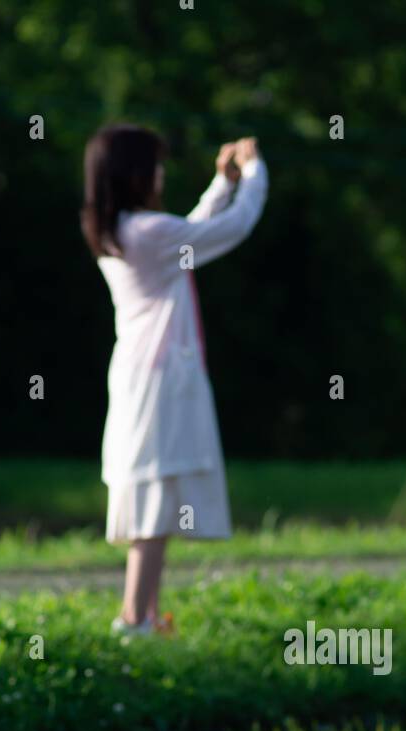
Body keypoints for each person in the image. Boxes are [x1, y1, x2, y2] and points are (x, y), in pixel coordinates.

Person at [81, 125, 268, 635]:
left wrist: (222, 185)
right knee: (153, 503)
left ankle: (146, 616)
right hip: (161, 379)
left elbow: (192, 232)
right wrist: (253, 173)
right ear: (136, 174)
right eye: (155, 164)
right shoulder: (148, 233)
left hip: (143, 375)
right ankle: (134, 618)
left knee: (155, 497)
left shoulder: (126, 230)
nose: (161, 173)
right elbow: (230, 229)